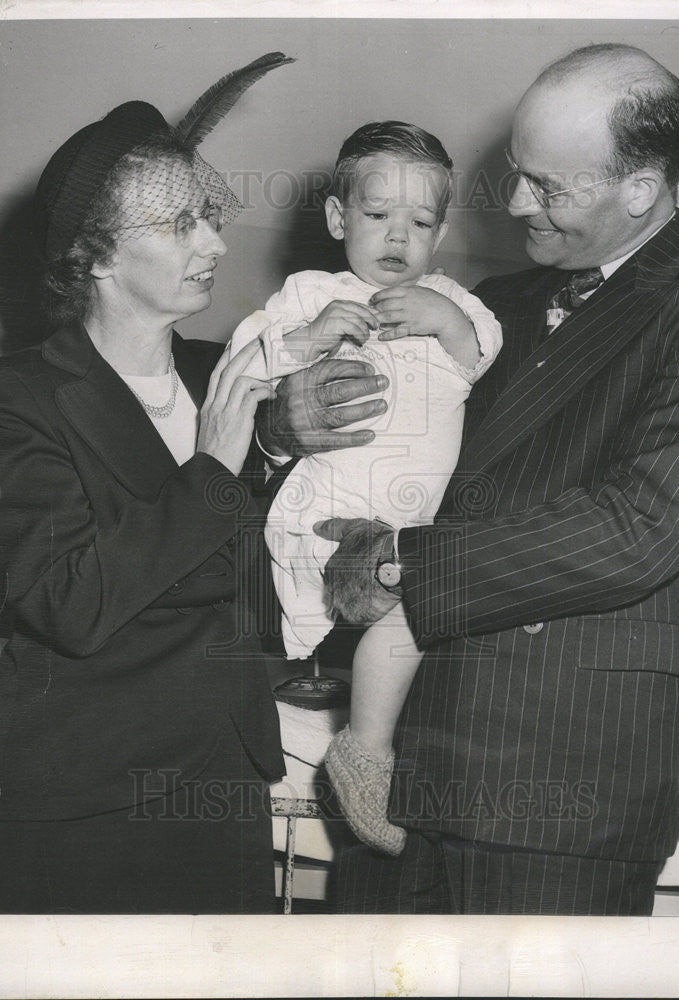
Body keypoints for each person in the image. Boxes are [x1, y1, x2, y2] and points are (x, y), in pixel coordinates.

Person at [259, 43, 679, 914]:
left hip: (557, 785)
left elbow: (640, 527)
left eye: (545, 187)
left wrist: (401, 559)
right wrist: (276, 427)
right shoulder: (490, 307)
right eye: (516, 174)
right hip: (402, 773)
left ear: (639, 189)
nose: (513, 205)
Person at [0, 59, 295, 914]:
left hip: (225, 779)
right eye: (181, 224)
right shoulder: (10, 400)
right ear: (97, 256)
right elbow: (68, 603)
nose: (217, 244)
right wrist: (215, 470)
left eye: (213, 218)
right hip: (84, 799)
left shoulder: (225, 373)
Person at [229, 121, 501, 856]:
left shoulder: (452, 300)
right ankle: (366, 746)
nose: (397, 238)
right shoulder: (310, 293)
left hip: (418, 520)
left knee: (425, 603)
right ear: (337, 218)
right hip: (331, 506)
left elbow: (485, 358)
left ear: (439, 234)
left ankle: (373, 746)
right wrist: (311, 338)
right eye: (378, 217)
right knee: (400, 597)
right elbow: (248, 364)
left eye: (419, 223)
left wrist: (448, 322)